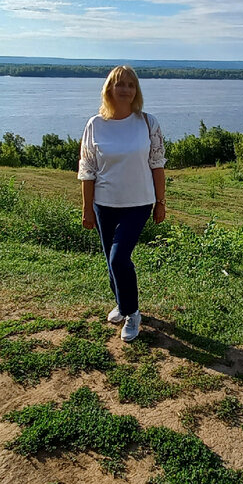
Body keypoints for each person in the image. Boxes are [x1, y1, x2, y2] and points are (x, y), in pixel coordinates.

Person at [78, 65, 166, 342]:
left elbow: (157, 164)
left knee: (119, 258)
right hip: (104, 203)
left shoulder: (148, 123)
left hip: (139, 202)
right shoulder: (95, 124)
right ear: (109, 89)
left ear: (136, 90)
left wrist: (161, 202)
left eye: (131, 84)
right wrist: (87, 207)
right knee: (110, 260)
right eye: (120, 84)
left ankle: (132, 312)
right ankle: (121, 302)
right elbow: (87, 169)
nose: (126, 89)